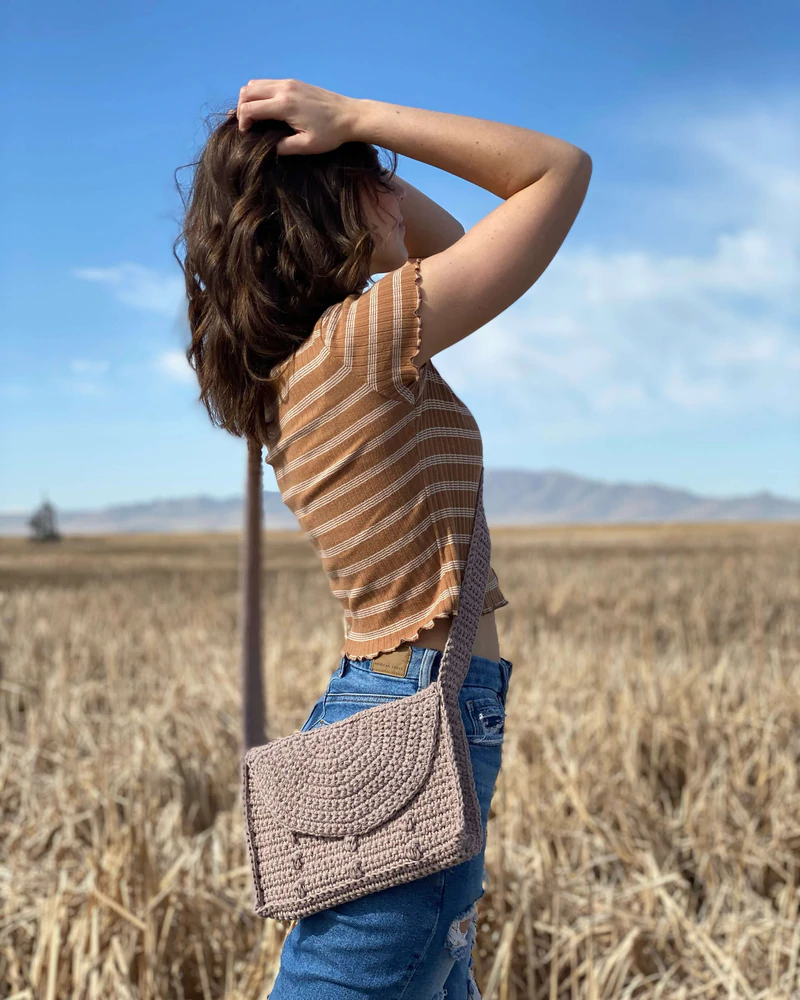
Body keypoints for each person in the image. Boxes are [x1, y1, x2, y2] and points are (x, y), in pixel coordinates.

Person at [175, 79, 592, 999]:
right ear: (333, 202)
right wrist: (356, 120)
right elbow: (556, 174)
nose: (397, 192)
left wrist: (351, 167)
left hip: (402, 704)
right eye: (379, 180)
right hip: (419, 710)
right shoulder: (359, 343)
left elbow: (451, 239)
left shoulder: (306, 360)